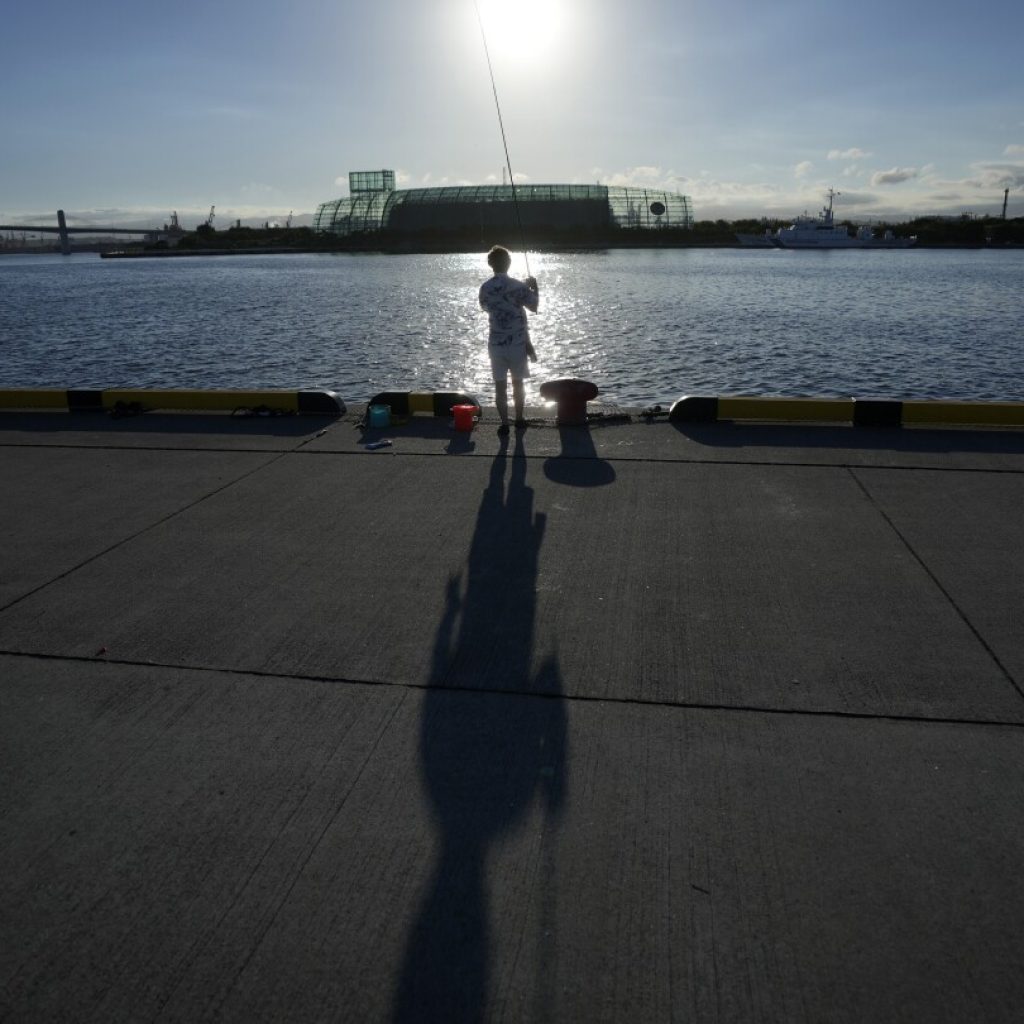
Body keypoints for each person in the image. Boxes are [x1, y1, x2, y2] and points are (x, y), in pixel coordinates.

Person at [478, 245, 538, 434]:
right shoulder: (519, 286)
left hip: (495, 344)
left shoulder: (485, 288)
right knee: (518, 383)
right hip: (517, 344)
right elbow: (534, 306)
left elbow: (485, 307)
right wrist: (534, 288)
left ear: (490, 264)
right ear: (509, 263)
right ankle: (519, 419)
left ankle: (504, 423)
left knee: (499, 385)